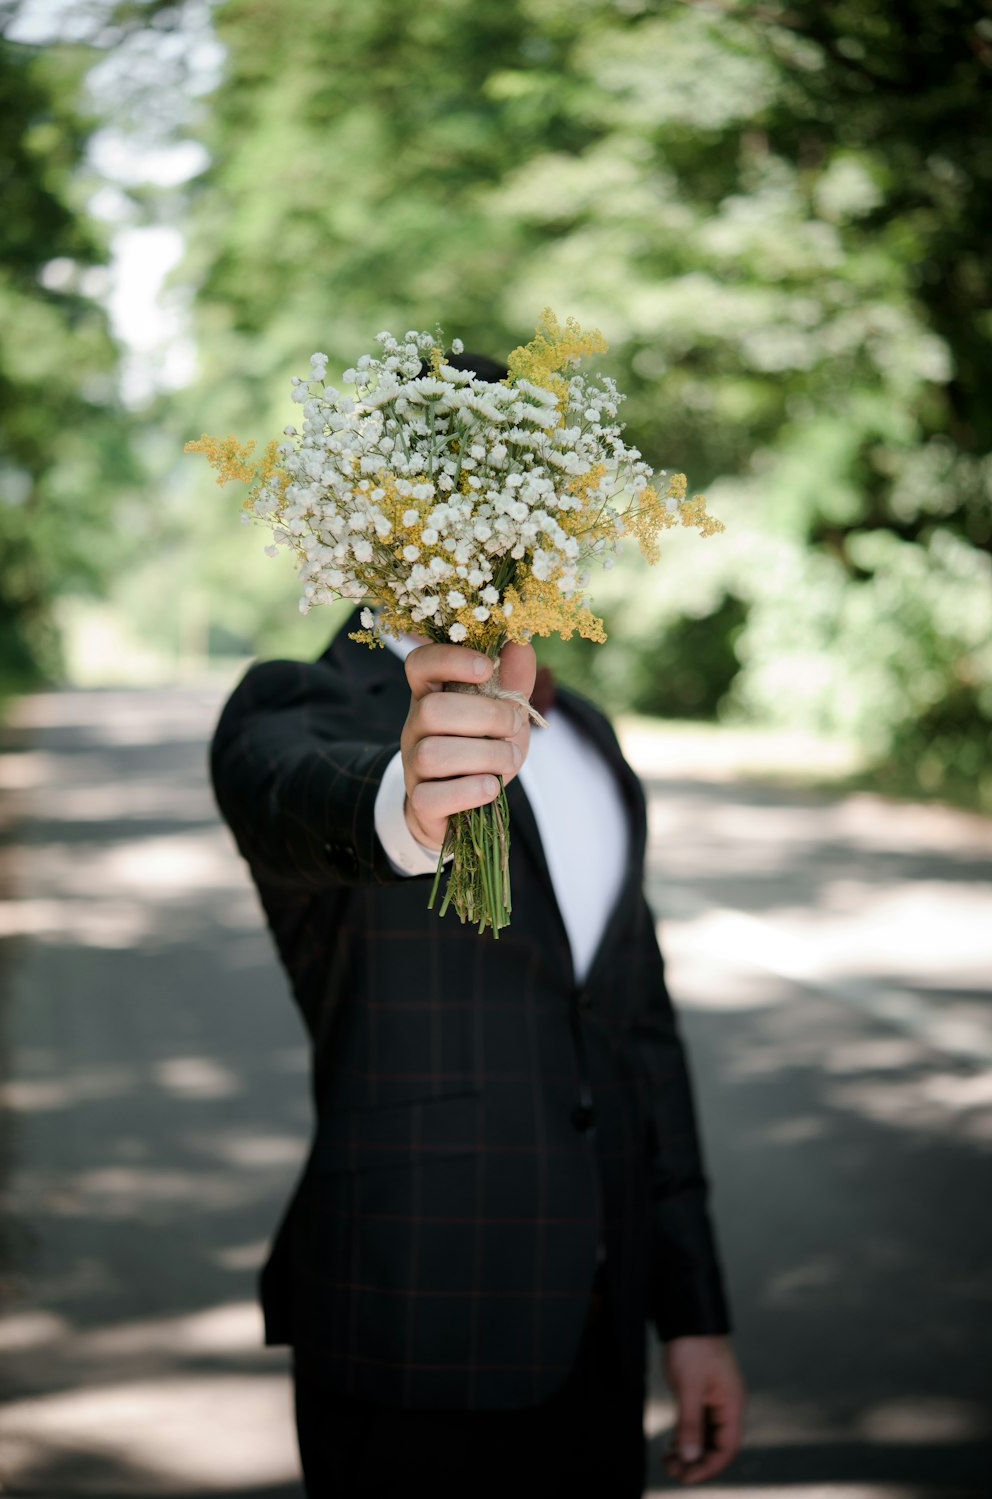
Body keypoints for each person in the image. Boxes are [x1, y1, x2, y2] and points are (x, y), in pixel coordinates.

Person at [209, 357, 746, 1498]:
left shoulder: (590, 737)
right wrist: (402, 806)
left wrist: (691, 1312)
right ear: (372, 508)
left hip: (603, 1341)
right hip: (409, 1327)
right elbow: (294, 800)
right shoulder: (298, 707)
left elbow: (640, 1032)